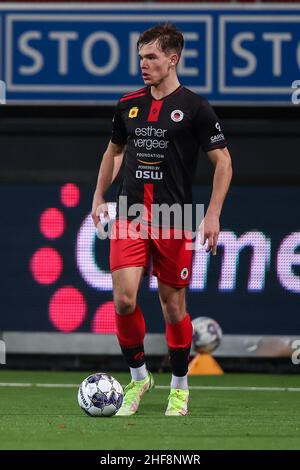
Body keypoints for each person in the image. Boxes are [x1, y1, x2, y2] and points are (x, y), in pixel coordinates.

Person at [91, 23, 232, 416]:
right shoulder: (127, 104)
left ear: (173, 59)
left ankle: (180, 387)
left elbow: (223, 163)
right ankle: (138, 380)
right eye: (140, 57)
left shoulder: (196, 108)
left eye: (151, 57)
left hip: (176, 218)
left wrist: (213, 214)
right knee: (123, 301)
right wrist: (99, 195)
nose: (143, 64)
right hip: (131, 214)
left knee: (173, 307)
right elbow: (114, 151)